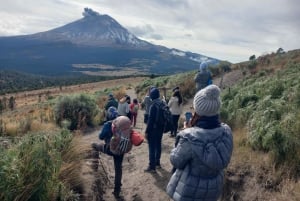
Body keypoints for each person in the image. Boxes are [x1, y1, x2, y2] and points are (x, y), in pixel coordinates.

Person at [166, 85, 233, 201]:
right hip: (214, 190)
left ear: (198, 111)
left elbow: (176, 161)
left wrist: (186, 131)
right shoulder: (226, 131)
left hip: (188, 192)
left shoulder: (189, 137)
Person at [91, 106, 124, 198]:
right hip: (121, 149)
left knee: (94, 145)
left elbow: (101, 137)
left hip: (110, 149)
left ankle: (94, 167)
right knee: (118, 169)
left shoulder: (107, 124)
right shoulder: (121, 123)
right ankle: (117, 191)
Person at [144, 87, 164, 172]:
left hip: (153, 129)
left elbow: (150, 120)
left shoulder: (153, 105)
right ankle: (157, 163)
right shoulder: (162, 103)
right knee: (158, 145)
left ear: (152, 96)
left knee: (151, 147)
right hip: (161, 128)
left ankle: (152, 167)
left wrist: (146, 131)